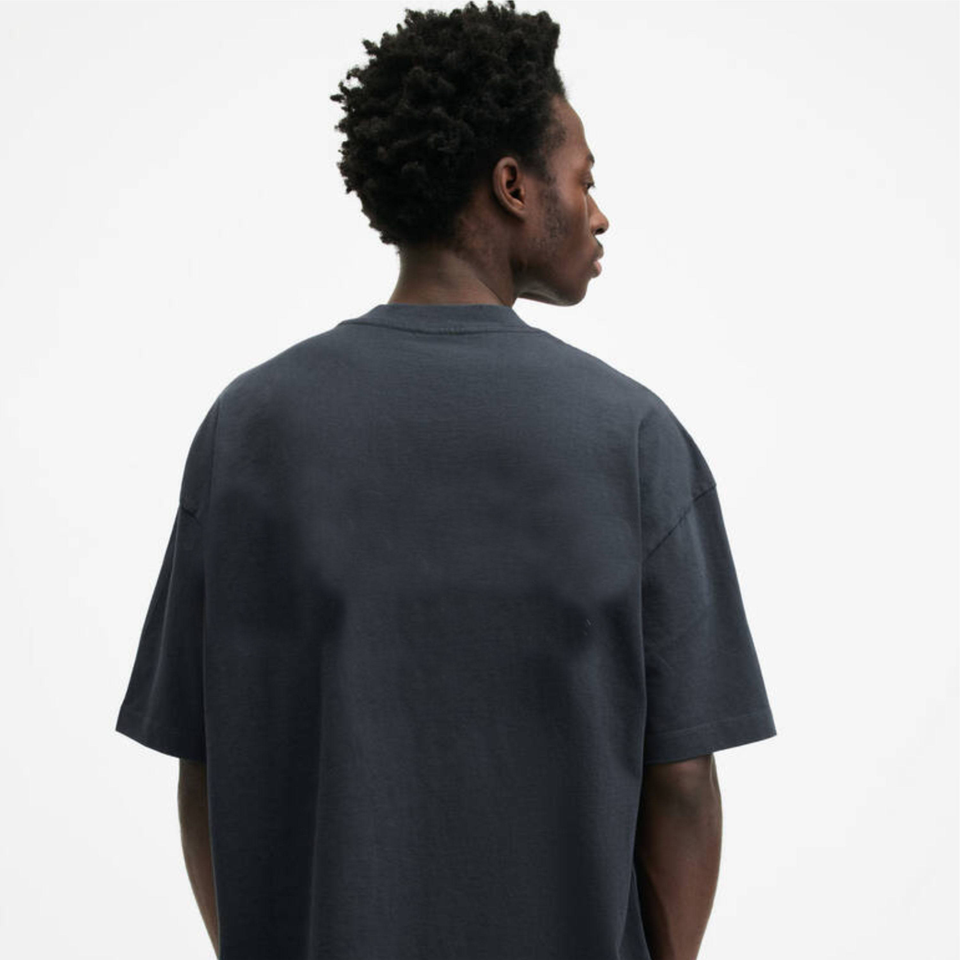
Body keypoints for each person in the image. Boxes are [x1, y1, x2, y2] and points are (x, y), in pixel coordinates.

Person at [115, 2, 777, 958]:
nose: (599, 213)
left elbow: (207, 763)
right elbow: (682, 785)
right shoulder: (631, 438)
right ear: (512, 185)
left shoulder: (250, 429)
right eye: (584, 179)